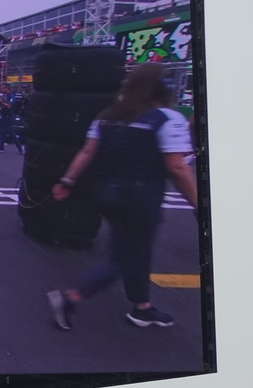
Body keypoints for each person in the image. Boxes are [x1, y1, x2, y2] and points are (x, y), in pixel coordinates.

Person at [46, 63, 198, 330]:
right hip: (141, 196)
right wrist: (198, 202)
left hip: (106, 193)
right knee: (125, 256)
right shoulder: (167, 118)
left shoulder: (107, 116)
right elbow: (177, 167)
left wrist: (67, 181)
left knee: (135, 248)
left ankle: (142, 307)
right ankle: (71, 297)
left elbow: (86, 152)